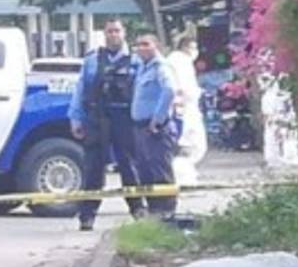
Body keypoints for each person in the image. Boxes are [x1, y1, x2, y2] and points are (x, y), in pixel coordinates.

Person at [69, 18, 145, 231]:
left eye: (117, 31)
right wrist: (76, 118)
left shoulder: (136, 60)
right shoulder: (93, 60)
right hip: (97, 118)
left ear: (124, 33)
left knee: (129, 166)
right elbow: (80, 90)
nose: (113, 35)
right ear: (104, 34)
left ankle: (138, 209)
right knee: (93, 167)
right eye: (109, 31)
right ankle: (87, 215)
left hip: (125, 119)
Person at [130, 33, 178, 218]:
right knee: (145, 170)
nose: (141, 48)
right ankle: (154, 210)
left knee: (160, 170)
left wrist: (157, 119)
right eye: (138, 44)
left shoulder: (161, 67)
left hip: (156, 128)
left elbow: (170, 90)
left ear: (155, 46)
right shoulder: (143, 68)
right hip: (140, 127)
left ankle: (167, 211)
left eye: (146, 44)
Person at [168, 35, 208, 186]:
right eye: (192, 48)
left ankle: (184, 174)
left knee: (190, 145)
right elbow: (186, 88)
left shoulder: (175, 60)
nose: (194, 52)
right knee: (191, 145)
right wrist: (197, 92)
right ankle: (182, 177)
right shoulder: (181, 61)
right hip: (185, 108)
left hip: (183, 107)